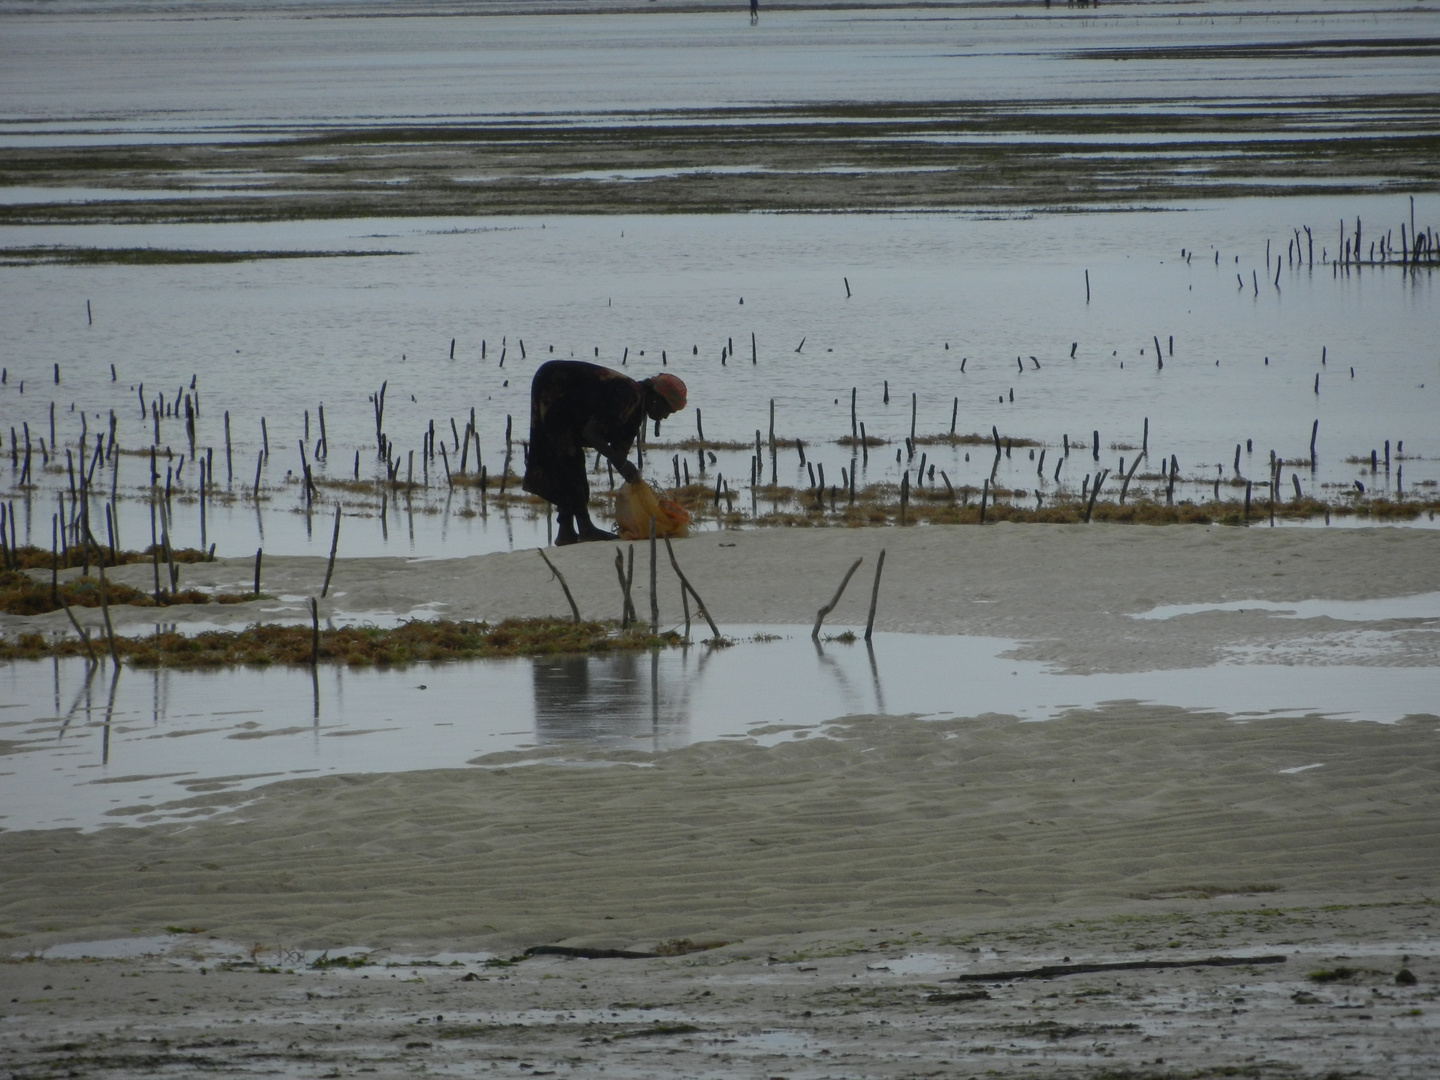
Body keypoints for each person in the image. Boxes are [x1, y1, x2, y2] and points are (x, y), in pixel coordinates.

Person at [522, 360, 687, 545]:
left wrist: (634, 479)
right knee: (569, 459)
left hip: (567, 398)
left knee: (568, 459)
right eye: (668, 410)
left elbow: (618, 450)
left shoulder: (637, 411)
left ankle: (566, 532)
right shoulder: (629, 395)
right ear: (657, 399)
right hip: (553, 383)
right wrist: (622, 464)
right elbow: (591, 433)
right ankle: (583, 529)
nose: (665, 417)